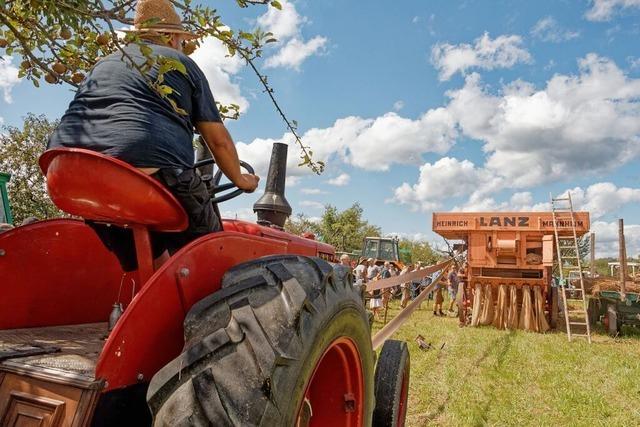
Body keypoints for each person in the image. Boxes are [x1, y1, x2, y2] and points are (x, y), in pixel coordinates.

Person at [46, 0, 259, 272]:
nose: (182, 46)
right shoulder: (181, 63)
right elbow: (217, 140)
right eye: (182, 40)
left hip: (67, 174)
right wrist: (242, 180)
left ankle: (151, 296)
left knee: (143, 244)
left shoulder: (103, 64)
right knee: (213, 252)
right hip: (142, 172)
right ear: (170, 36)